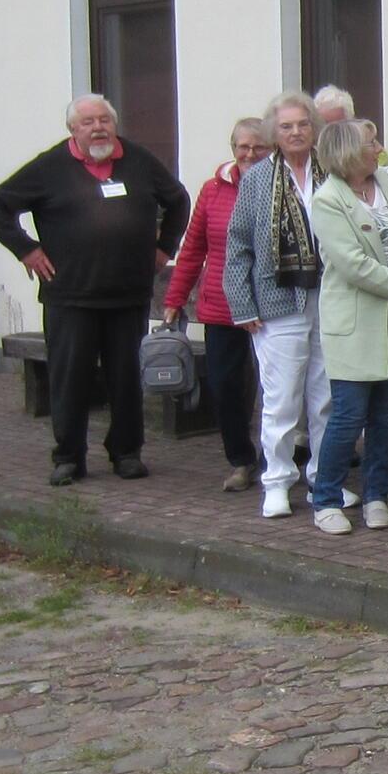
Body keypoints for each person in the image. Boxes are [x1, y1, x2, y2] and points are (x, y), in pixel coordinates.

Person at [0, 94, 190, 486]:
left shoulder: (139, 161)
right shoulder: (50, 167)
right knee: (70, 380)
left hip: (127, 294)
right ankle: (68, 458)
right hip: (71, 295)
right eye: (88, 122)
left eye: (104, 120)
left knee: (126, 379)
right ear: (72, 130)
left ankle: (127, 453)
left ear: (114, 125)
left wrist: (165, 247)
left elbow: (178, 200)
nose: (98, 127)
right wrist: (26, 250)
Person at [307, 120, 388, 535]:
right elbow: (353, 265)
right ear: (348, 152)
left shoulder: (386, 186)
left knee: (386, 416)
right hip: (355, 323)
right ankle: (326, 498)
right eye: (371, 142)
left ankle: (377, 495)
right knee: (348, 414)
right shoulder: (327, 199)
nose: (379, 147)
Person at [225, 91, 337, 519]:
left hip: (329, 298)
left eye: (302, 124)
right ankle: (277, 480)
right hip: (277, 302)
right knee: (282, 398)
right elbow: (237, 245)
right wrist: (243, 303)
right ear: (275, 132)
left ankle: (323, 481)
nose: (295, 132)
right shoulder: (256, 180)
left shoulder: (331, 173)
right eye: (286, 126)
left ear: (314, 128)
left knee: (326, 396)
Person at [163, 116, 272, 492]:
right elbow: (193, 248)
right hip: (222, 306)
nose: (250, 153)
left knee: (274, 388)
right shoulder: (213, 190)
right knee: (225, 386)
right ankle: (241, 460)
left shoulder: (281, 188)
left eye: (259, 146)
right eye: (243, 146)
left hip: (270, 308)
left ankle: (276, 461)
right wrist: (175, 298)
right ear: (233, 149)